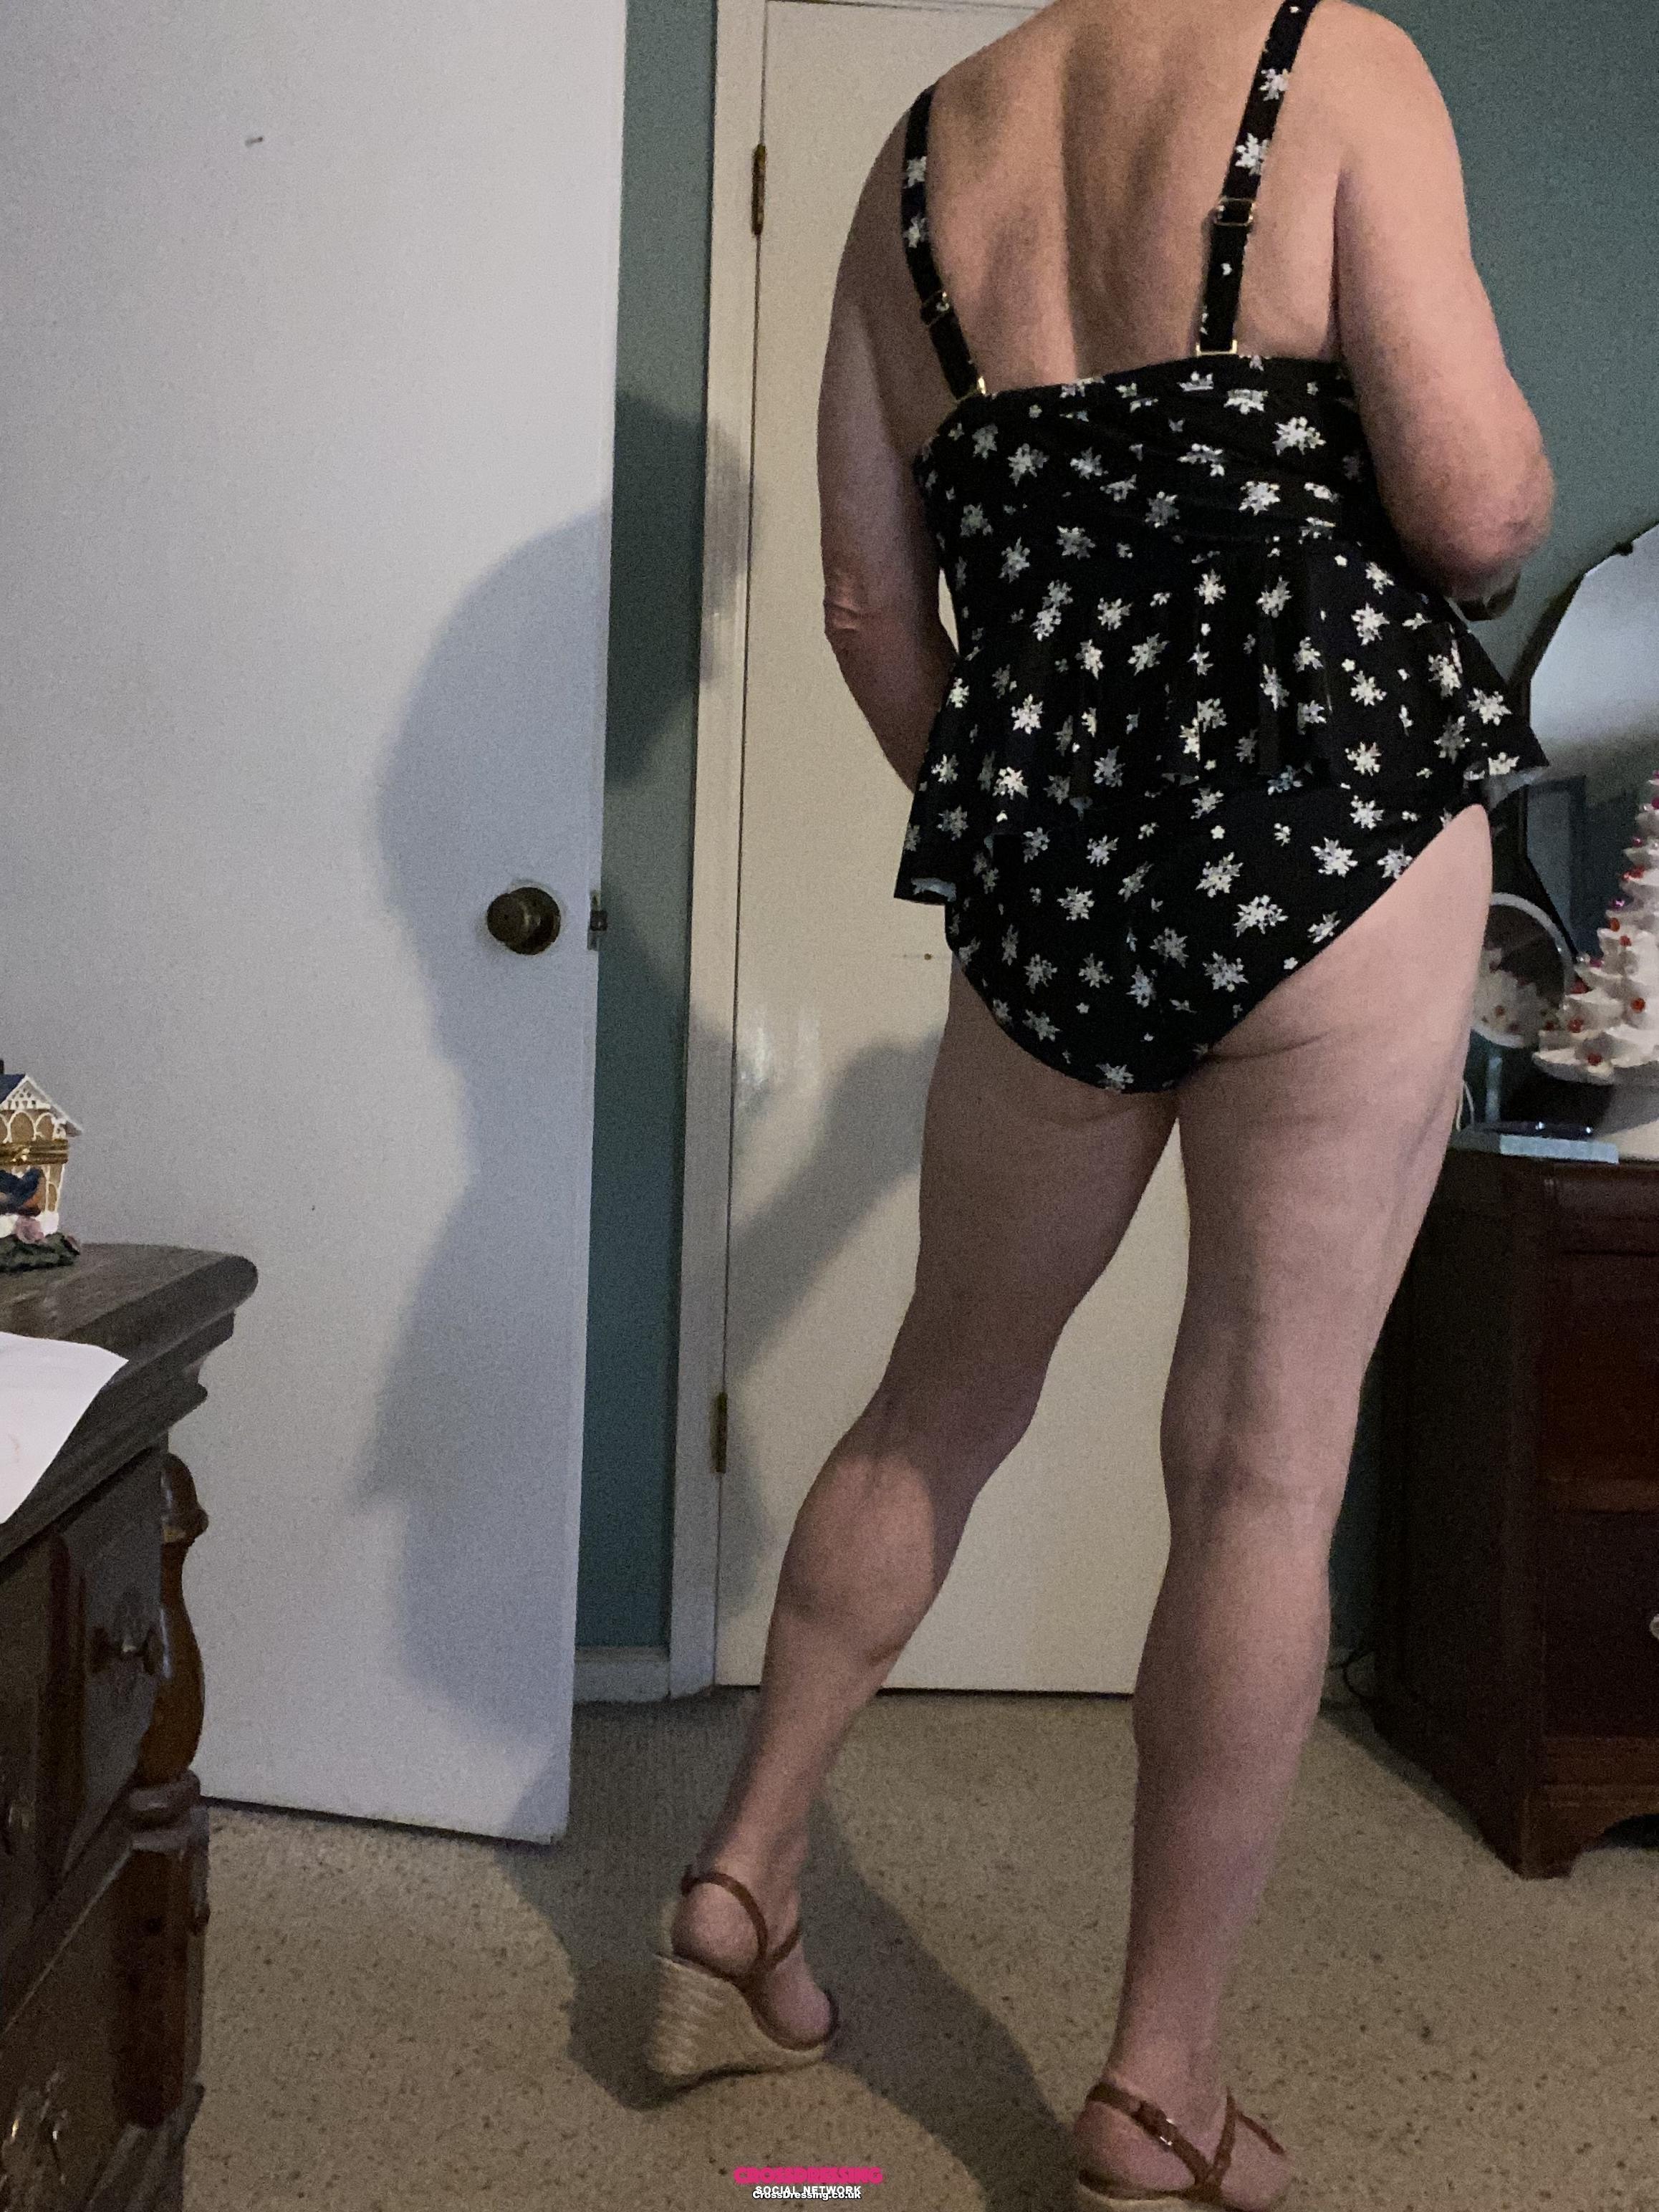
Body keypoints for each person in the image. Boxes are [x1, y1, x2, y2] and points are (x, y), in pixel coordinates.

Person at [648, 3, 1554, 2204]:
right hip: (1336, 829)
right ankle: (1158, 2091)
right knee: (1257, 1471)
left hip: (1049, 876)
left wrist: (1041, 837)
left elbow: (868, 606)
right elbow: (1469, 506)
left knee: (926, 1409)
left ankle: (740, 1874)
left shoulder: (919, 153)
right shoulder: (1335, 60)